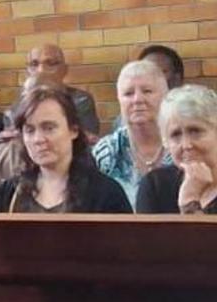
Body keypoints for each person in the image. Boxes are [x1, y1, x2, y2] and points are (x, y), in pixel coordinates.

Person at [0, 85, 130, 214]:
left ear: (73, 130)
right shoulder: (7, 195)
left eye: (49, 128)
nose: (38, 139)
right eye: (30, 130)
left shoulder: (106, 195)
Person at [92, 61, 171, 207]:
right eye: (128, 93)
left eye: (147, 91)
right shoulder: (107, 151)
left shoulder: (181, 146)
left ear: (165, 96)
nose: (137, 100)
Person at [137, 85, 217, 214]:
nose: (186, 145)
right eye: (176, 135)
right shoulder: (155, 186)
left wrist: (190, 202)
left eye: (195, 131)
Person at [21, 44, 100, 140]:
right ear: (26, 72)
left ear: (64, 70)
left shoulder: (80, 100)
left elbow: (88, 139)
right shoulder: (21, 102)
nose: (41, 70)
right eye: (34, 64)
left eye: (50, 64)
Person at [110, 45, 185, 132]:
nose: (137, 99)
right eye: (129, 93)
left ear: (177, 79)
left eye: (157, 72)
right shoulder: (123, 121)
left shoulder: (191, 114)